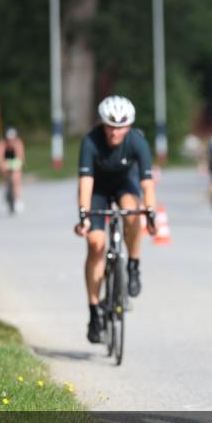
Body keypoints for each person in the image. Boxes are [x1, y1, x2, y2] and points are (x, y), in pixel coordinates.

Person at [73, 95, 157, 344]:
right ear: (102, 123)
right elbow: (85, 183)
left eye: (120, 127)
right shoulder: (90, 141)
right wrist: (83, 215)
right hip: (97, 189)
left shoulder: (137, 142)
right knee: (96, 244)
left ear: (129, 126)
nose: (114, 132)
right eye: (110, 126)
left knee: (132, 211)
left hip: (124, 184)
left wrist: (150, 212)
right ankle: (94, 311)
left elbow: (147, 183)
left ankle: (133, 265)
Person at [0, 127, 26, 212]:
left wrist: (20, 164)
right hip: (5, 163)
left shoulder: (18, 143)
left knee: (16, 179)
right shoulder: (2, 144)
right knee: (5, 176)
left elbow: (20, 156)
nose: (10, 141)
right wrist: (0, 165)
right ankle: (6, 189)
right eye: (9, 139)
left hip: (15, 163)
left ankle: (18, 200)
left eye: (12, 139)